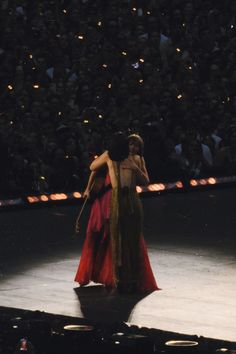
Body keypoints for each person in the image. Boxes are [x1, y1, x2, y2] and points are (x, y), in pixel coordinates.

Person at [74, 132, 159, 293]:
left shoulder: (138, 159)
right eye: (129, 144)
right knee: (117, 238)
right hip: (116, 198)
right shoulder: (110, 156)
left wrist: (135, 169)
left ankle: (134, 278)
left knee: (133, 237)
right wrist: (88, 187)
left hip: (132, 198)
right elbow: (93, 168)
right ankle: (119, 278)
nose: (132, 147)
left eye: (135, 145)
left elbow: (146, 181)